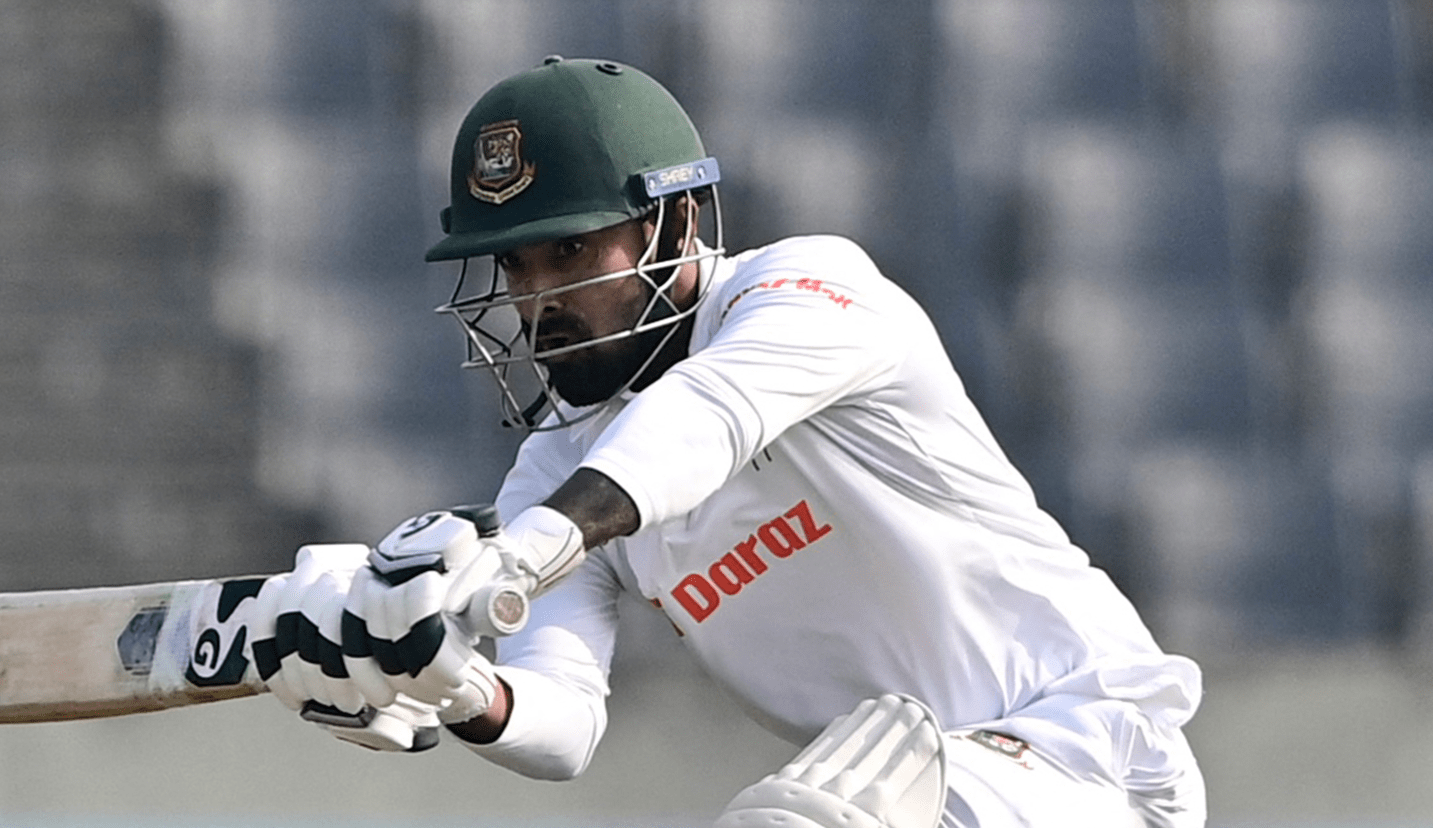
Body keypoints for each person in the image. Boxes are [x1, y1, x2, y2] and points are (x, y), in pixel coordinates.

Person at [253, 56, 1207, 828]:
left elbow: (704, 418)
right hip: (899, 794)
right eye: (515, 263)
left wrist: (526, 547)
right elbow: (564, 725)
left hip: (1090, 749)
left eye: (572, 251)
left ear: (677, 220)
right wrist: (457, 686)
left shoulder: (806, 291)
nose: (537, 299)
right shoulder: (553, 469)